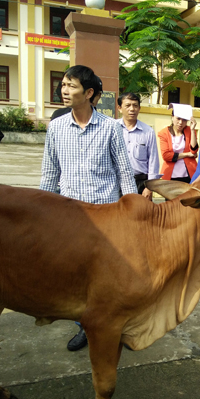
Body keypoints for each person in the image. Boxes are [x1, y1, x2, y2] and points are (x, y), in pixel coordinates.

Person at [39, 65, 136, 351]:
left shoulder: (110, 128)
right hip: (71, 217)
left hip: (106, 216)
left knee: (111, 276)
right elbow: (49, 174)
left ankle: (117, 326)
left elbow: (124, 173)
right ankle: (85, 327)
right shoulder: (56, 127)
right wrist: (40, 213)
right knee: (77, 277)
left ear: (89, 93)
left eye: (71, 86)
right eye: (63, 85)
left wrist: (132, 212)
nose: (64, 91)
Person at [116, 92, 159, 198]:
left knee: (141, 214)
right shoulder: (112, 128)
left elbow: (153, 161)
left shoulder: (148, 131)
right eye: (127, 105)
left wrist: (150, 187)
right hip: (117, 182)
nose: (132, 109)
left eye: (135, 106)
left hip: (140, 183)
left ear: (139, 108)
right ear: (119, 108)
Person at [157, 106, 198, 183]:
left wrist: (192, 130)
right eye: (178, 118)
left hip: (189, 173)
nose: (180, 123)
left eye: (184, 120)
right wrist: (187, 154)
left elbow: (194, 150)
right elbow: (166, 156)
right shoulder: (164, 133)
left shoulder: (190, 131)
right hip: (171, 175)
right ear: (172, 117)